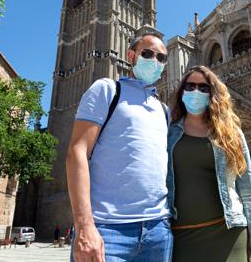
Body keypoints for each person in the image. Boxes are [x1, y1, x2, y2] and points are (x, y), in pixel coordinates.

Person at [66, 32, 172, 262]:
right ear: (131, 56)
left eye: (161, 58)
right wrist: (84, 227)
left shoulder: (164, 110)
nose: (154, 61)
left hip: (158, 231)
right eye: (147, 54)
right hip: (107, 230)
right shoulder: (107, 89)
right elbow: (77, 152)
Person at [167, 65, 251, 262]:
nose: (196, 92)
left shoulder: (232, 134)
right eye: (190, 86)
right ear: (181, 92)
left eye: (204, 88)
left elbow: (248, 192)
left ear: (213, 94)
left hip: (229, 233)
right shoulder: (167, 133)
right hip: (181, 237)